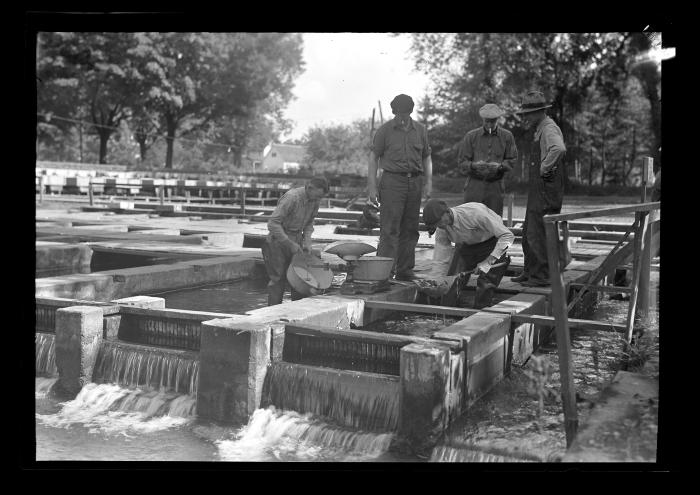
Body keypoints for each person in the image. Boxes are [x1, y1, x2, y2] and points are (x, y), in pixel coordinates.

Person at [368, 93, 433, 281]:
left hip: (415, 182)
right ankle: (384, 272)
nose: (402, 118)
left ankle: (405, 269)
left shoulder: (421, 130)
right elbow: (373, 158)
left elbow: (427, 157)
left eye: (405, 114)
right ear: (394, 112)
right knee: (389, 229)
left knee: (411, 228)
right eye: (399, 114)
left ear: (410, 112)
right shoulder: (384, 131)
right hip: (392, 182)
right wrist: (372, 187)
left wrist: (429, 183)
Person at [511, 90, 566, 287]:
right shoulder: (540, 128)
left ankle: (541, 276)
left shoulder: (549, 128)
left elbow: (558, 149)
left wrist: (544, 167)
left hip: (545, 188)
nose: (525, 118)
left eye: (528, 114)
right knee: (528, 231)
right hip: (538, 188)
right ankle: (530, 271)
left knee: (538, 232)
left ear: (538, 112)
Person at [423, 199, 514, 309]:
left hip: (492, 243)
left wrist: (488, 261)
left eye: (439, 222)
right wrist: (434, 282)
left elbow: (508, 236)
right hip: (467, 246)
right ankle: (447, 312)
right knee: (453, 281)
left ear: (447, 212)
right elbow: (440, 260)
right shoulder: (442, 229)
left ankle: (479, 314)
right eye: (436, 225)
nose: (439, 226)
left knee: (485, 284)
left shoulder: (475, 213)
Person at [261, 176, 329, 305]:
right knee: (278, 279)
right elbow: (273, 223)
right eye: (317, 196)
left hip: (297, 239)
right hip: (277, 241)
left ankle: (297, 312)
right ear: (309, 188)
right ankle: (272, 312)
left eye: (321, 197)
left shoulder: (315, 200)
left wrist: (307, 242)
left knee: (300, 276)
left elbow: (309, 224)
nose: (318, 200)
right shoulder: (292, 198)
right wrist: (288, 243)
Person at [457, 103, 518, 216]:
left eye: (493, 121)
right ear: (482, 120)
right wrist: (474, 165)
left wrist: (500, 166)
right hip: (474, 185)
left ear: (498, 120)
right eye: (487, 121)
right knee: (471, 220)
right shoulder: (471, 136)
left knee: (494, 222)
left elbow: (512, 159)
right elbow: (461, 162)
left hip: (495, 186)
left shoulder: (507, 136)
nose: (489, 124)